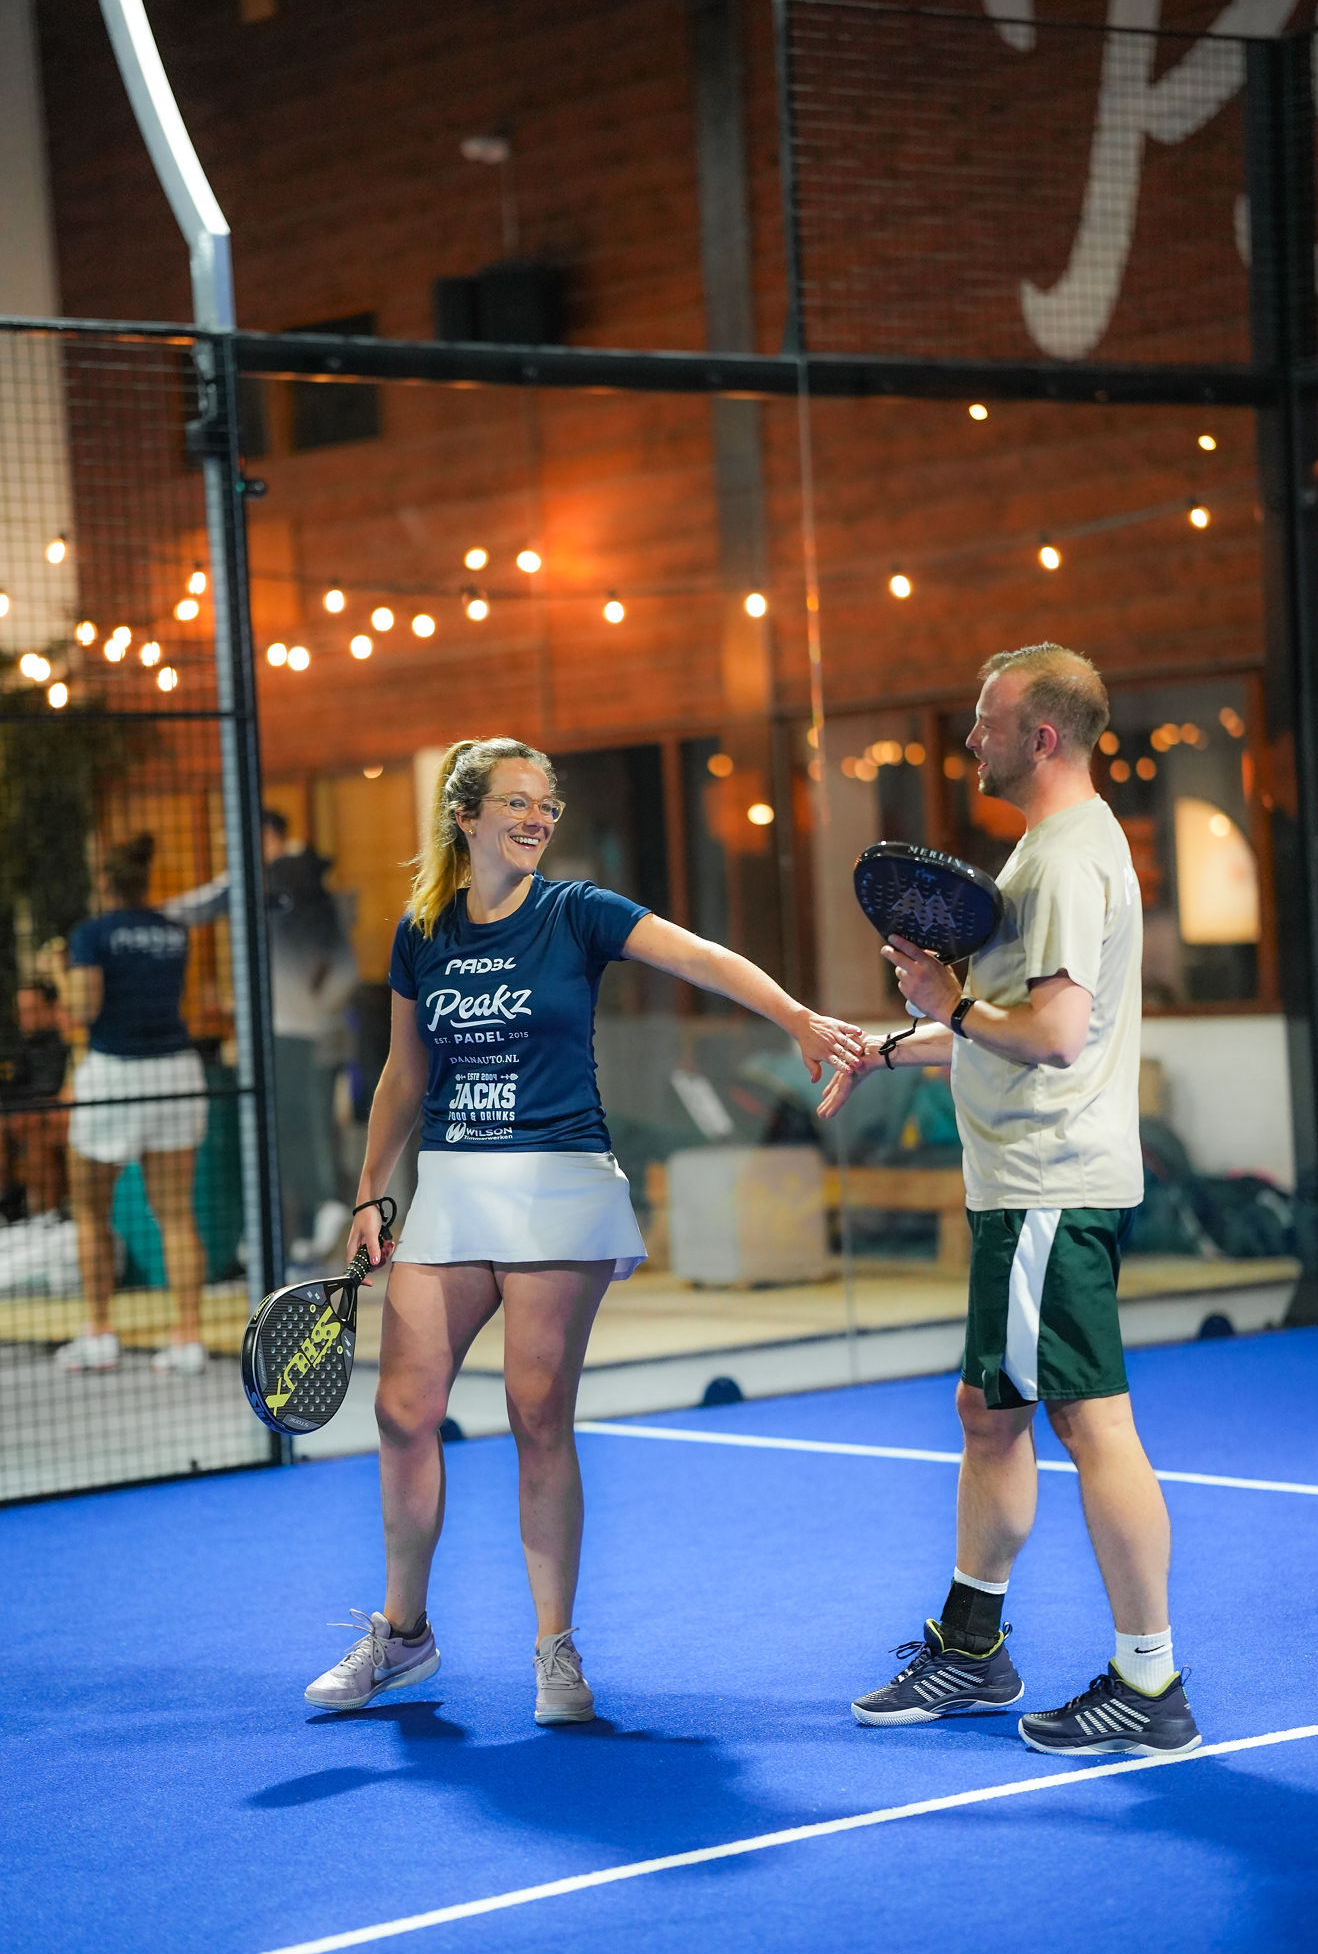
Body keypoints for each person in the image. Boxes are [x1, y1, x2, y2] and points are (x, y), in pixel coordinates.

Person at [305, 734, 864, 1719]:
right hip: (453, 1186)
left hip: (561, 1182)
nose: (537, 819)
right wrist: (366, 1190)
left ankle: (554, 1651)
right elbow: (403, 1072)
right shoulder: (421, 930)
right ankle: (402, 1636)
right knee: (401, 1410)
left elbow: (700, 955)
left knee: (533, 1411)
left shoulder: (577, 912)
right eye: (516, 803)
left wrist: (797, 1018)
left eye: (548, 806)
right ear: (466, 815)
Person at [819, 645, 1199, 1757]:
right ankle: (975, 1644)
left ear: (1041, 736)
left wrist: (947, 996)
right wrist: (890, 1041)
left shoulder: (1071, 859)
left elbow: (1050, 1033)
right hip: (1025, 1189)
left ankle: (1150, 1676)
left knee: (1090, 1421)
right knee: (990, 1413)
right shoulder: (1044, 850)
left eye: (986, 722)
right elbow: (1001, 1018)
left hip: (1049, 1185)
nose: (968, 739)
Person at [166, 810, 356, 1263]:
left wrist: (134, 917)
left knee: (290, 1127)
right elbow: (343, 964)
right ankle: (299, 1232)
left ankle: (317, 1212)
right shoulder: (311, 886)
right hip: (320, 1030)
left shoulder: (258, 883)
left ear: (263, 836)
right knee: (313, 1125)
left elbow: (189, 909)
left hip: (289, 1030)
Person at [53, 833, 210, 1375]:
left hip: (114, 1075)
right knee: (176, 1213)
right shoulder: (172, 931)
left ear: (103, 881)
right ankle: (187, 1338)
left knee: (91, 1213)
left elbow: (82, 1007)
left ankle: (98, 1332)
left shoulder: (91, 934)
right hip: (176, 1069)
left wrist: (58, 971)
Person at [0, 979, 70, 1221]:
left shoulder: (65, 1041)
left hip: (50, 1113)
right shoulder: (25, 1046)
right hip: (26, 1110)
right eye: (21, 1011)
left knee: (34, 1128)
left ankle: (46, 1215)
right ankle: (6, 1204)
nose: (24, 1018)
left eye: (32, 1010)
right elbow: (15, 1087)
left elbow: (54, 1090)